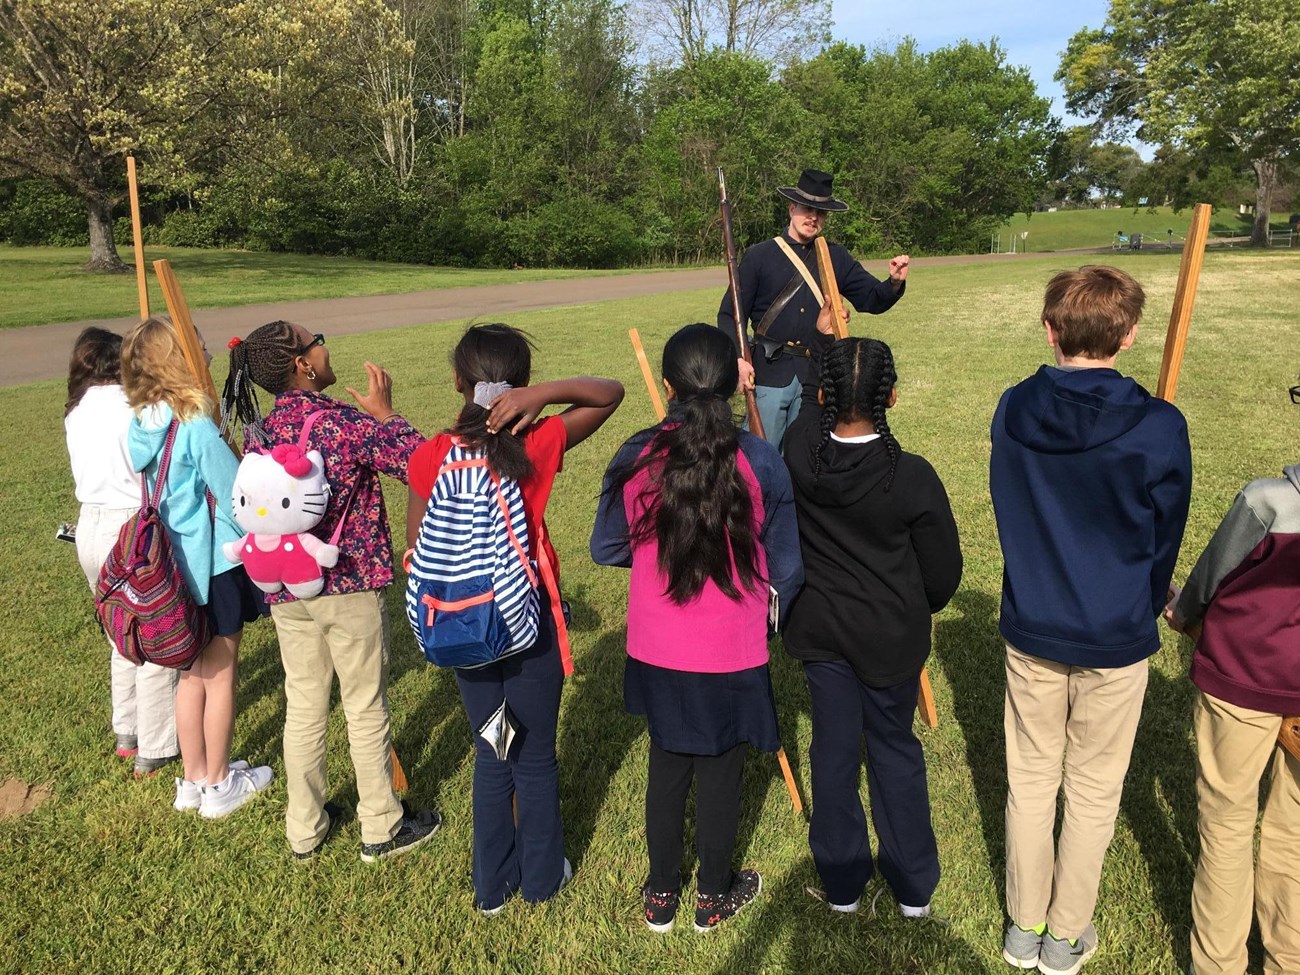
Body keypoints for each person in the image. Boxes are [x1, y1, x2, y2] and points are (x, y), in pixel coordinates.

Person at [990, 266, 1192, 974]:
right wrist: (1149, 595)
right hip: (1093, 625)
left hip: (1059, 622)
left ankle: (1038, 925)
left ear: (1051, 329)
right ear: (1128, 334)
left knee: (1038, 778)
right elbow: (1165, 540)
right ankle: (1052, 928)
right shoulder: (1155, 425)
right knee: (1086, 786)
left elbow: (1162, 530)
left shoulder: (1019, 409)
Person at [590, 323, 803, 933]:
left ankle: (663, 897)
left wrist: (664, 548)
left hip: (658, 644)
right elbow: (787, 567)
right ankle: (711, 896)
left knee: (668, 763)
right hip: (732, 649)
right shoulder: (760, 459)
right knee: (719, 773)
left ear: (666, 385)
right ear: (739, 382)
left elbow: (607, 547)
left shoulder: (638, 454)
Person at [406, 323, 623, 912]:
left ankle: (491, 887)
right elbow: (610, 392)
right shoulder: (538, 443)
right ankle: (543, 877)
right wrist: (542, 396)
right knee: (535, 754)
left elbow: (416, 546)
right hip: (527, 626)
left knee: (491, 751)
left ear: (457, 380)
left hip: (462, 627)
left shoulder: (430, 455)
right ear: (520, 385)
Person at [222, 321, 438, 860]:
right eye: (315, 339)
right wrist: (386, 413)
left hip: (284, 589)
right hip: (349, 584)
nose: (324, 344)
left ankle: (305, 827)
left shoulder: (261, 433)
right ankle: (381, 826)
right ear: (301, 363)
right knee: (364, 705)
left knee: (304, 705)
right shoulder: (344, 422)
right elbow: (424, 466)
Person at [782, 320, 962, 919]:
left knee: (833, 754)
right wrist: (912, 608)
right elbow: (942, 575)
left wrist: (819, 370)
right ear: (892, 396)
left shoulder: (800, 455)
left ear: (824, 396)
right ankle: (912, 888)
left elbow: (811, 413)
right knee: (894, 750)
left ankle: (843, 886)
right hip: (889, 637)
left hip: (822, 634)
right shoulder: (909, 476)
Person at [1165, 385, 1300, 975]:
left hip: (1242, 682)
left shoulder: (1267, 501)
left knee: (1225, 825)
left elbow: (1209, 579)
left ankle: (1215, 964)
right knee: (1293, 839)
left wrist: (1182, 613)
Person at [120, 317, 273, 817]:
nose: (205, 351)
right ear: (176, 359)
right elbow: (237, 497)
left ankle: (193, 779)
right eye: (196, 345)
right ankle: (220, 782)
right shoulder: (194, 424)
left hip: (171, 570)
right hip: (215, 565)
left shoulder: (140, 424)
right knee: (221, 674)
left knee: (190, 677)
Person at [717, 167, 910, 452]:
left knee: (807, 459)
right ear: (791, 206)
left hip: (817, 376)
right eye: (807, 208)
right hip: (769, 374)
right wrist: (738, 358)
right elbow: (730, 314)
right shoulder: (760, 255)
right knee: (760, 459)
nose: (813, 217)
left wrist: (893, 282)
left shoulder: (836, 257)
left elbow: (871, 298)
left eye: (821, 212)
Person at [65, 327, 179, 777]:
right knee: (151, 636)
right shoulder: (136, 406)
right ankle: (157, 744)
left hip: (89, 526)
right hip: (129, 525)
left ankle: (126, 730)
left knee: (120, 632)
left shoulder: (77, 410)